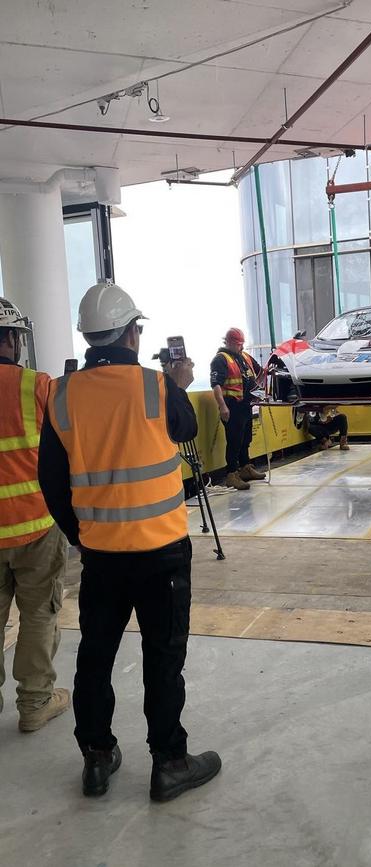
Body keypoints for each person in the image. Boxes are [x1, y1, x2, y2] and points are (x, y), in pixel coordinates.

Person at [38, 281, 221, 802]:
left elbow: (51, 480)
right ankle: (170, 762)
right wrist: (181, 381)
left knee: (95, 655)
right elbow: (185, 427)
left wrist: (83, 535)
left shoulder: (62, 393)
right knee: (162, 657)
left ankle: (96, 757)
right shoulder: (157, 386)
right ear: (131, 333)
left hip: (100, 556)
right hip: (161, 553)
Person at [0, 298, 70, 733]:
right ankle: (34, 703)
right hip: (34, 525)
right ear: (10, 339)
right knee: (39, 614)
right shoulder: (36, 385)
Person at [210, 327, 266, 490]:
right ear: (227, 343)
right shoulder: (220, 359)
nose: (240, 347)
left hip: (246, 405)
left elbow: (260, 372)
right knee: (234, 441)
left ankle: (245, 467)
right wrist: (222, 406)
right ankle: (231, 474)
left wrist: (260, 389)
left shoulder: (245, 357)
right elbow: (216, 385)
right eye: (237, 344)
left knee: (245, 439)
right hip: (232, 406)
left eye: (242, 344)